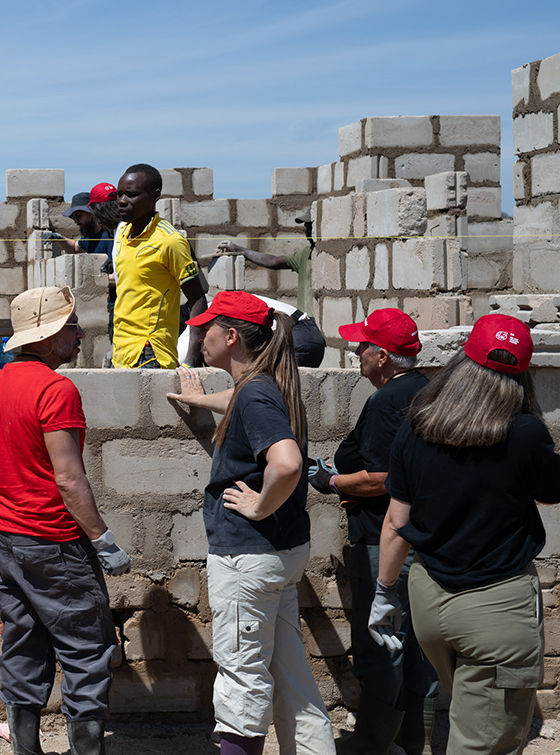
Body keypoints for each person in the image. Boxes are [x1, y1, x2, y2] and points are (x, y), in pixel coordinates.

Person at [373, 314, 560, 755]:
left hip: (429, 601)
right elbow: (552, 489)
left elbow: (396, 522)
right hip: (495, 608)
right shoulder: (526, 433)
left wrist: (384, 591)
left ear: (462, 362)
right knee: (484, 742)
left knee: (470, 714)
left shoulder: (416, 425)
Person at [167, 290, 335, 755]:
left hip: (249, 557)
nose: (199, 336)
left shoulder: (257, 392)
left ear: (231, 337)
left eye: (207, 328)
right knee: (293, 681)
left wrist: (260, 506)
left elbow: (287, 462)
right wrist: (199, 399)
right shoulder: (266, 384)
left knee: (242, 683)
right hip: (279, 554)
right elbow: (241, 401)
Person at [0, 286, 129, 755]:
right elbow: (68, 478)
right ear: (44, 337)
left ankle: (25, 749)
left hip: (5, 536)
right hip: (53, 540)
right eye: (70, 327)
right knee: (86, 646)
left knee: (23, 639)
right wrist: (102, 539)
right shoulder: (55, 389)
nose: (79, 335)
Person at [309, 309, 435, 755]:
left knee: (380, 645)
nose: (356, 351)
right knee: (416, 648)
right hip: (424, 540)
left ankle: (372, 744)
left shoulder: (386, 402)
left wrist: (332, 481)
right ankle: (414, 742)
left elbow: (383, 478)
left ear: (382, 356)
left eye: (363, 345)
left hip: (383, 540)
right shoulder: (426, 390)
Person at [112, 164, 207, 367]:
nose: (121, 201)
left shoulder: (169, 241)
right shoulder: (123, 235)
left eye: (131, 195)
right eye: (119, 194)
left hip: (149, 353)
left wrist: (191, 359)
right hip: (121, 352)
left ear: (155, 196)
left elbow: (198, 299)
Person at [215, 208, 324, 366]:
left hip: (316, 328)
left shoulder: (326, 254)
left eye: (310, 225)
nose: (306, 229)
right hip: (304, 327)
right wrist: (241, 250)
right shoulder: (305, 254)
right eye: (305, 225)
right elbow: (273, 261)